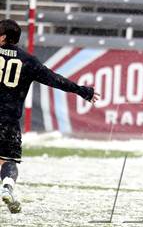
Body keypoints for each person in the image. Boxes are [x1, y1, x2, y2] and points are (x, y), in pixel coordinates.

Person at [0, 19, 99, 213]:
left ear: (3, 37)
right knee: (8, 161)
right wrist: (82, 91)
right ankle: (7, 186)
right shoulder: (28, 61)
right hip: (8, 121)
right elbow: (55, 80)